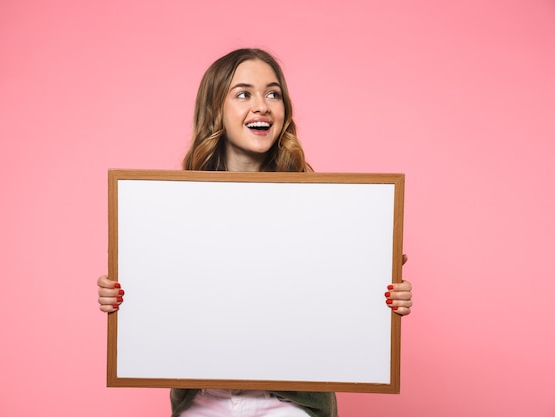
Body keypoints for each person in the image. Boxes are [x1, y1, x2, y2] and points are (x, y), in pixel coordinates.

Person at [97, 48, 413, 417]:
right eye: (243, 93)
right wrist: (121, 295)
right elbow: (166, 292)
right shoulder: (173, 206)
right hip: (203, 400)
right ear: (216, 109)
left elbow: (341, 297)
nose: (261, 105)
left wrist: (386, 294)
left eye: (273, 93)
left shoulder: (324, 206)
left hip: (290, 405)